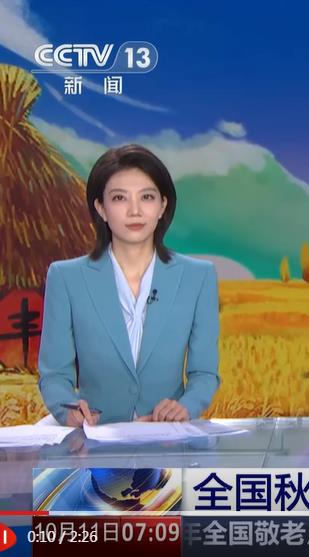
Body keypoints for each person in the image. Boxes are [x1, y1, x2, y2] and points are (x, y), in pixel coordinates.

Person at [38, 144, 220, 426]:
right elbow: (54, 375)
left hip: (167, 435)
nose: (135, 211)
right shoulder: (66, 278)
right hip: (94, 436)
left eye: (147, 197)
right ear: (101, 208)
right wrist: (68, 410)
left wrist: (185, 407)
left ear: (162, 206)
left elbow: (204, 373)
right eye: (119, 198)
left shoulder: (198, 277)